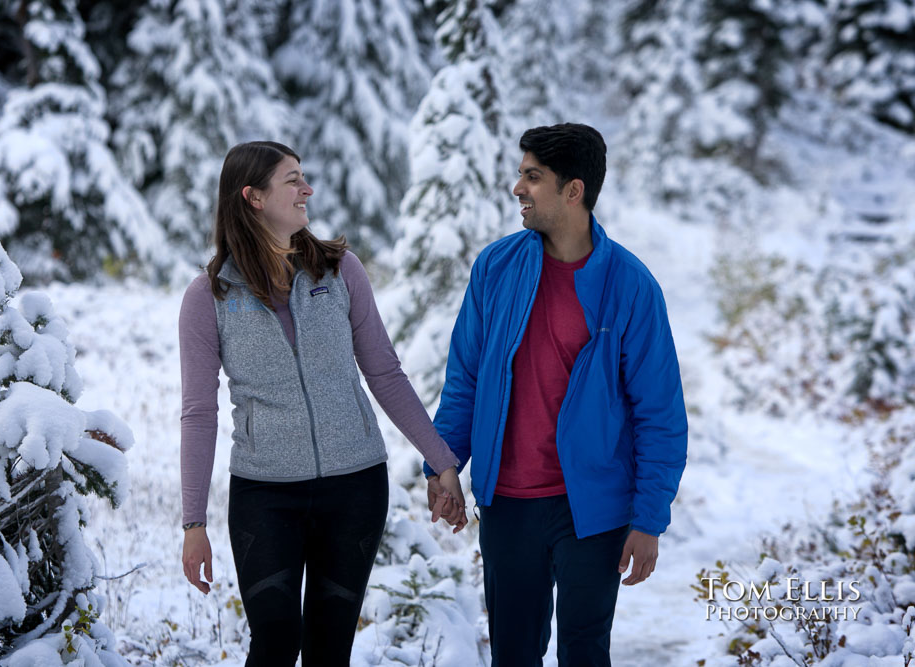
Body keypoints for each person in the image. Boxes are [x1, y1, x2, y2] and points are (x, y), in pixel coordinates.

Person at [179, 141, 468, 667]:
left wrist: (441, 461)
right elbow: (199, 413)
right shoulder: (210, 297)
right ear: (254, 197)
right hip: (265, 495)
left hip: (353, 490)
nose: (307, 189)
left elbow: (384, 372)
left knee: (329, 647)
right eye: (292, 180)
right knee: (274, 639)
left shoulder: (339, 272)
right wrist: (192, 524)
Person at [424, 123, 687, 666]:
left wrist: (648, 519)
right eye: (521, 175)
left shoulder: (630, 286)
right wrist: (443, 464)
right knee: (514, 655)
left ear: (574, 189)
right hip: (508, 504)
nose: (518, 188)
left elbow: (659, 413)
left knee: (584, 654)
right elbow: (465, 378)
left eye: (533, 177)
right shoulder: (496, 268)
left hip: (591, 508)